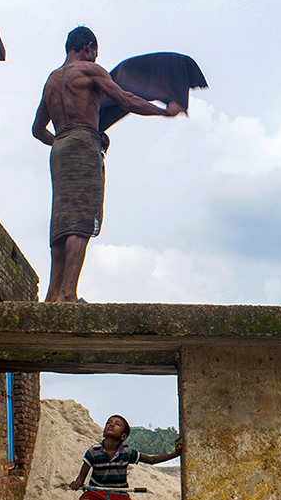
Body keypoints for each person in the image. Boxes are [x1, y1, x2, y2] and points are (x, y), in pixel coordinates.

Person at [32, 26, 183, 303]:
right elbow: (125, 98)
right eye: (94, 53)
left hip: (60, 149)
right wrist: (163, 112)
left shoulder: (51, 81)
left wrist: (61, 142)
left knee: (61, 221)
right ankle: (67, 294)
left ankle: (52, 295)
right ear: (88, 47)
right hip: (83, 145)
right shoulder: (90, 71)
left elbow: (37, 130)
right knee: (80, 221)